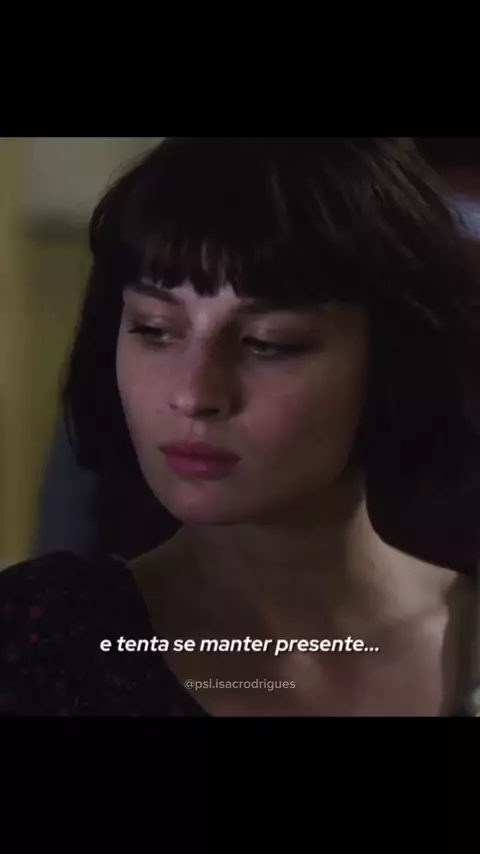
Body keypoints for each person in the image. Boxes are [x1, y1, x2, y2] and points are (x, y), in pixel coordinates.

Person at [1, 137, 480, 717]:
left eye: (268, 342)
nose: (194, 394)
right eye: (154, 328)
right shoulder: (39, 644)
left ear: (396, 359)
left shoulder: (465, 637)